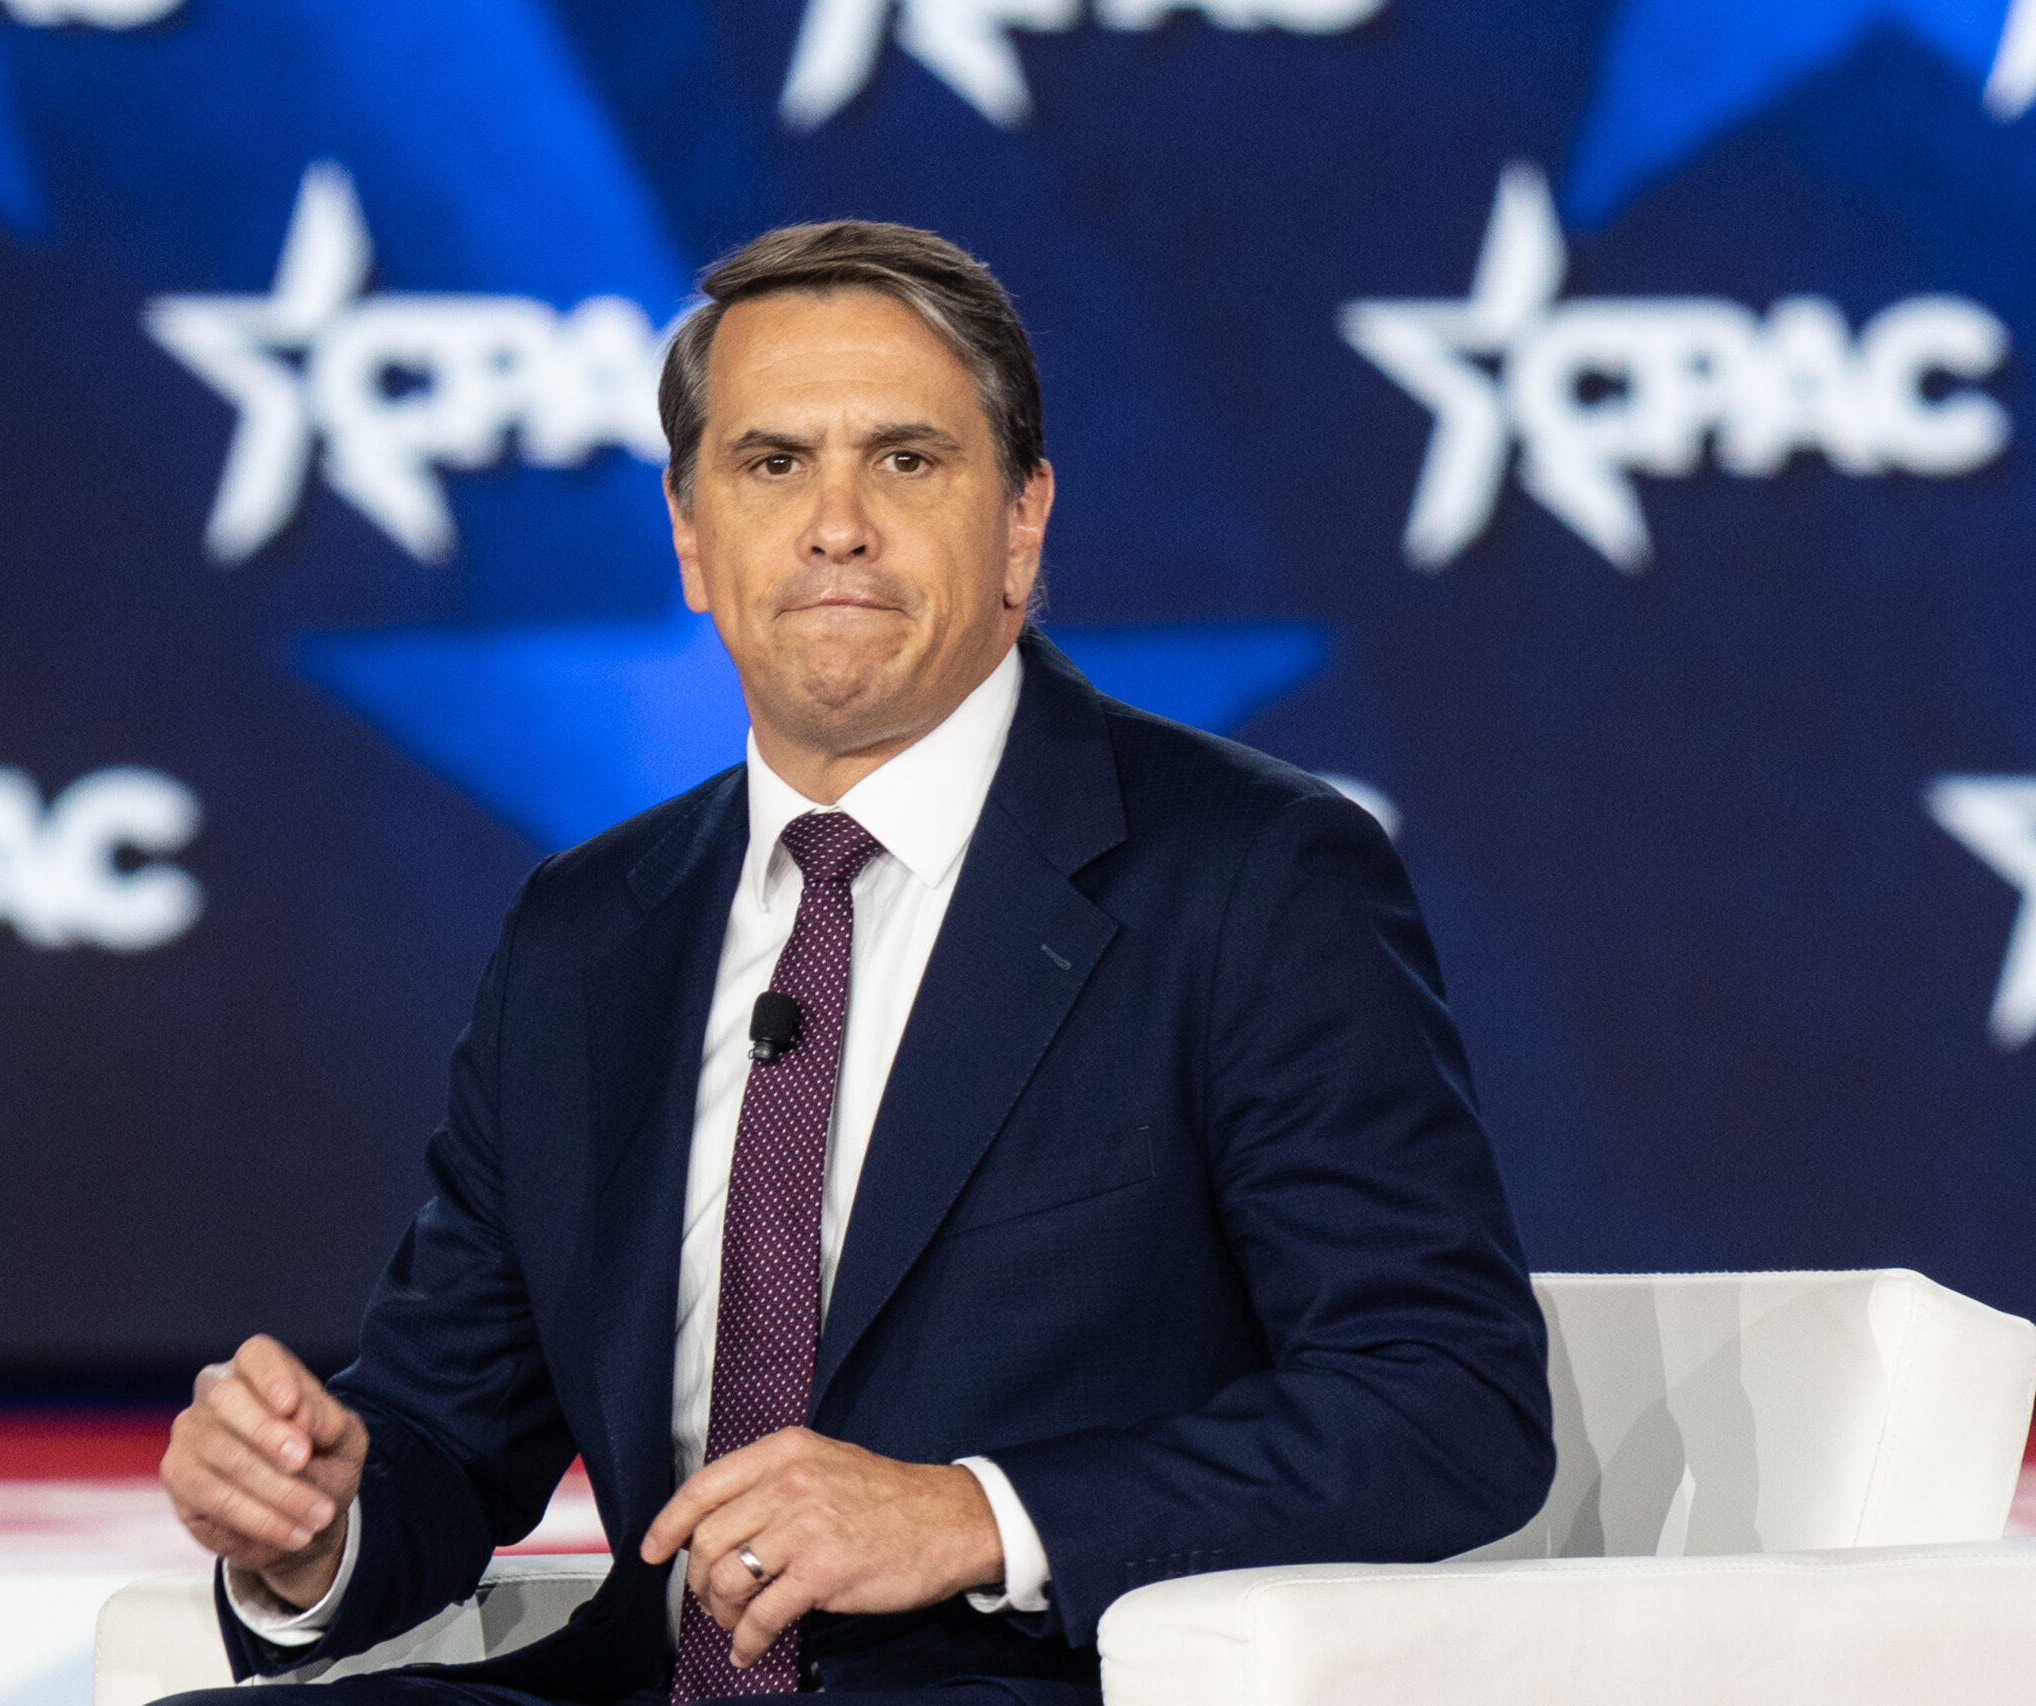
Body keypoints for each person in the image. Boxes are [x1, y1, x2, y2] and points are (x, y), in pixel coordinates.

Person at [155, 221, 1554, 1706]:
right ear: (692, 536)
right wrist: (312, 1518)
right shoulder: (587, 933)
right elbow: (443, 1435)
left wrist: (974, 1514)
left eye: (905, 460)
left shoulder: (1250, 876)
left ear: (1021, 520)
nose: (837, 525)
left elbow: (1444, 1398)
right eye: (772, 464)